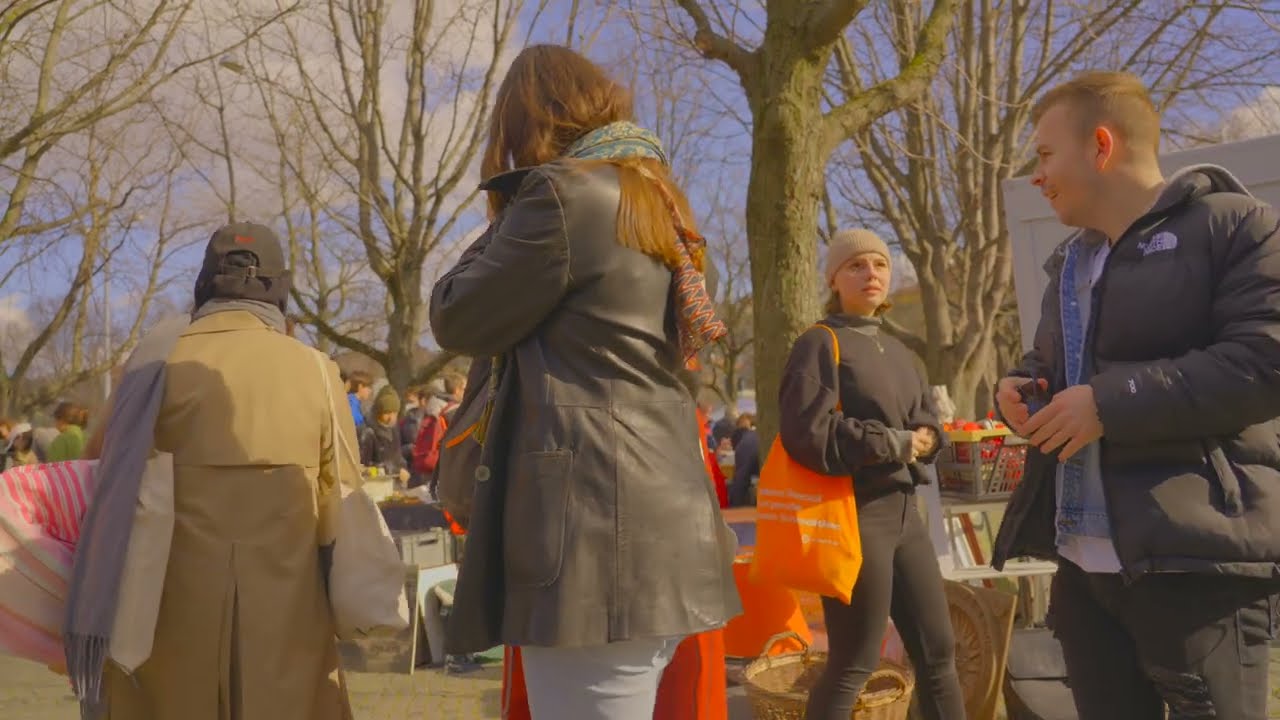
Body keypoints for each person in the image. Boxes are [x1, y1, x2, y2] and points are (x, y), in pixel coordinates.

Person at [428, 44, 740, 720]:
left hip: (591, 545)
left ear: (527, 121)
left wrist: (508, 208)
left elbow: (455, 315)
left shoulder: (563, 194)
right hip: (662, 528)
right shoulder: (658, 198)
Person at [992, 71, 1280, 720]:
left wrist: (1106, 404)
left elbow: (1264, 360)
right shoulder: (1069, 262)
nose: (1036, 175)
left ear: (1100, 145)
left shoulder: (1237, 226)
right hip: (1084, 572)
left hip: (1197, 565)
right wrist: (1016, 389)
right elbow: (1052, 368)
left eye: (1043, 154)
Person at [66, 221, 354, 719]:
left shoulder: (152, 364)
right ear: (279, 289)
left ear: (204, 284)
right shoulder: (316, 370)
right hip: (287, 616)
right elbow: (343, 502)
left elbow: (97, 469)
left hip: (163, 611)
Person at [778, 228, 963, 720]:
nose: (871, 274)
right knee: (855, 660)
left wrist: (925, 437)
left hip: (907, 516)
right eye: (856, 266)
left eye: (879, 265)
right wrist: (893, 443)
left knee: (939, 653)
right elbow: (806, 431)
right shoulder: (820, 344)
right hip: (853, 517)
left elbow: (928, 421)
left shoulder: (902, 352)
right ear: (833, 278)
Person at [360, 386, 407, 480]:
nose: (391, 418)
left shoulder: (393, 428)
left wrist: (402, 468)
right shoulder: (368, 432)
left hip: (396, 483)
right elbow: (363, 466)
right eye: (387, 413)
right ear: (379, 412)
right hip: (376, 486)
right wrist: (395, 470)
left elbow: (397, 456)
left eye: (394, 413)